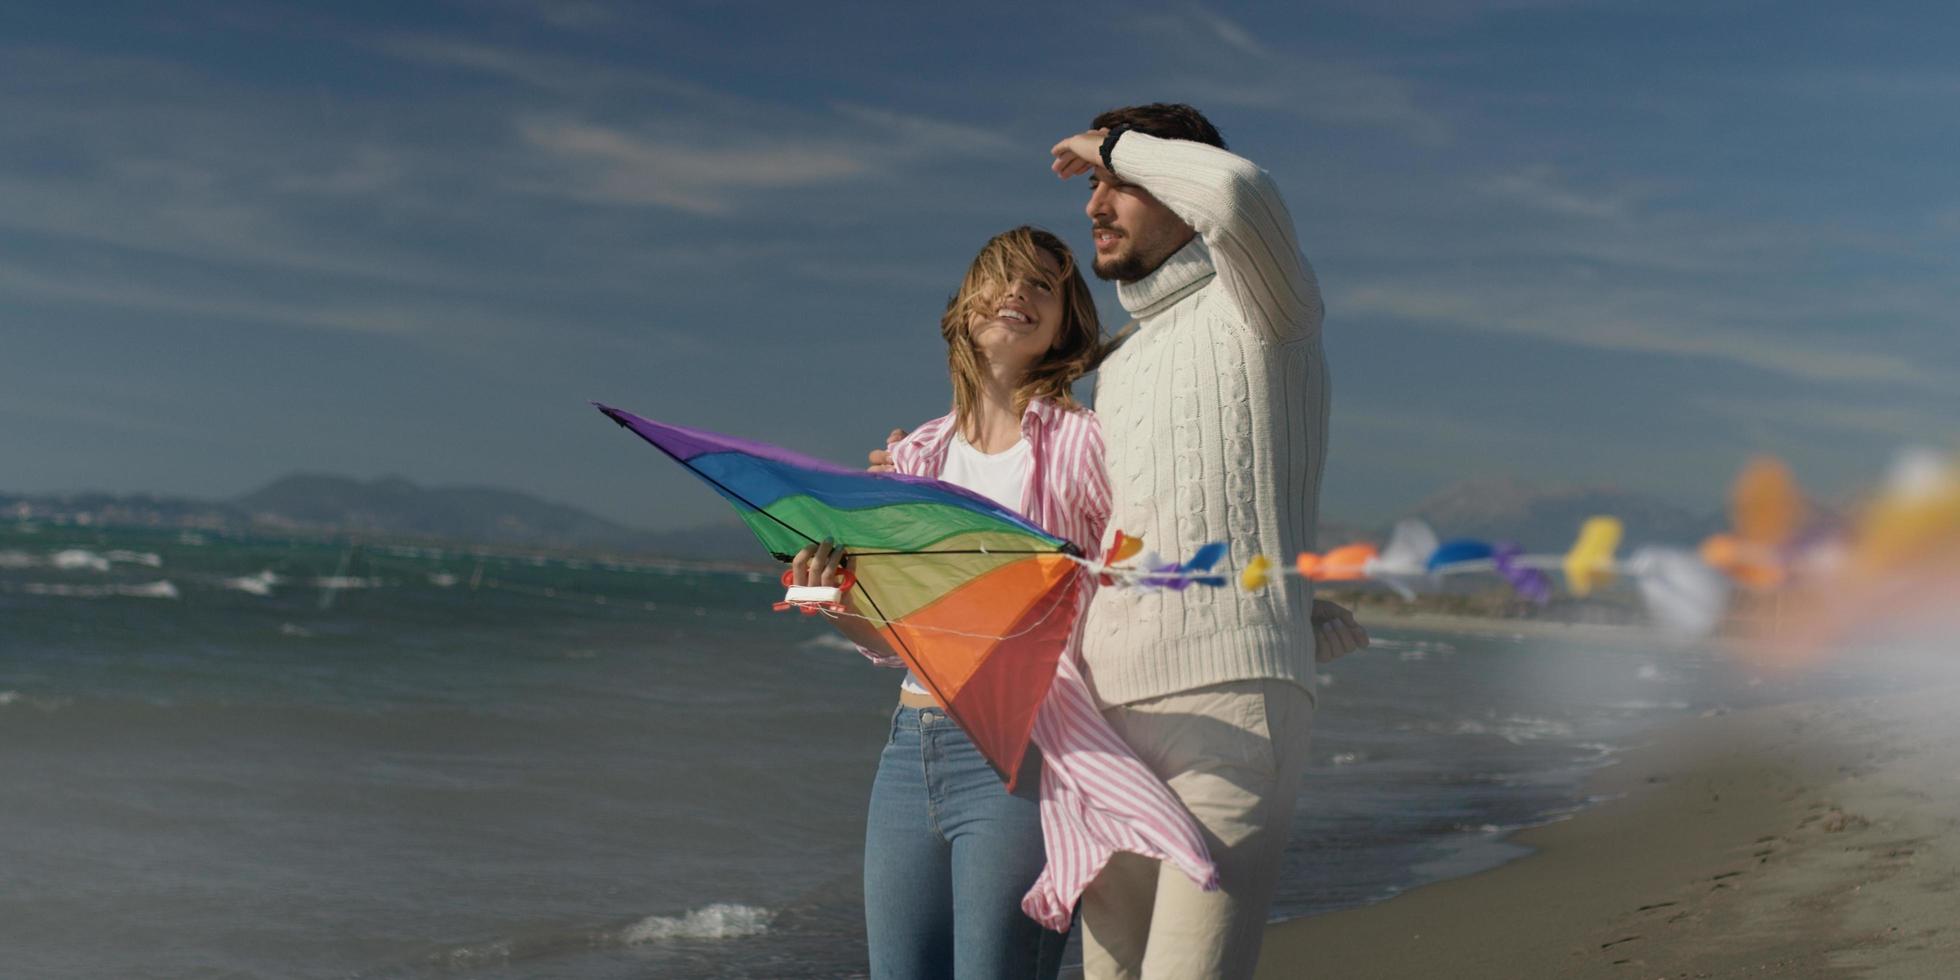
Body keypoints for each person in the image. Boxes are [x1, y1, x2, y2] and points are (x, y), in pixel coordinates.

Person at [796, 226, 1222, 980]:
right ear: (963, 309)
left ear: (1067, 324)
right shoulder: (916, 459)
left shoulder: (1086, 444)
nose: (1018, 294)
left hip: (1020, 752)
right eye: (1002, 278)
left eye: (1043, 286)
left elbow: (1143, 569)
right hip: (909, 748)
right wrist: (834, 602)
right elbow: (903, 633)